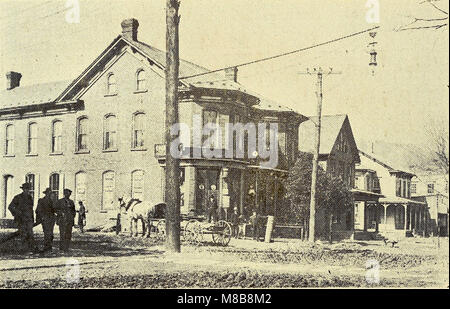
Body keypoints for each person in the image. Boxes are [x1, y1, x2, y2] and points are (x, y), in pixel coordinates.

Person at [8, 183, 38, 254]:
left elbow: (31, 209)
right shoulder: (17, 197)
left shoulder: (30, 198)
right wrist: (17, 213)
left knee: (30, 234)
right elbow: (10, 207)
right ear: (23, 189)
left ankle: (30, 250)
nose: (27, 190)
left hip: (29, 219)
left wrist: (32, 219)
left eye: (28, 189)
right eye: (25, 189)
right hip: (21, 219)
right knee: (23, 234)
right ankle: (23, 250)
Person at [35, 188, 56, 252]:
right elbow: (37, 210)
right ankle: (46, 247)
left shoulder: (52, 201)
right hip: (45, 219)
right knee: (47, 233)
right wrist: (41, 218)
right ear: (46, 194)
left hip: (51, 219)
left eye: (50, 193)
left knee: (51, 234)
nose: (49, 195)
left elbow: (54, 210)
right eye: (48, 193)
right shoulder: (41, 200)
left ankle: (49, 247)